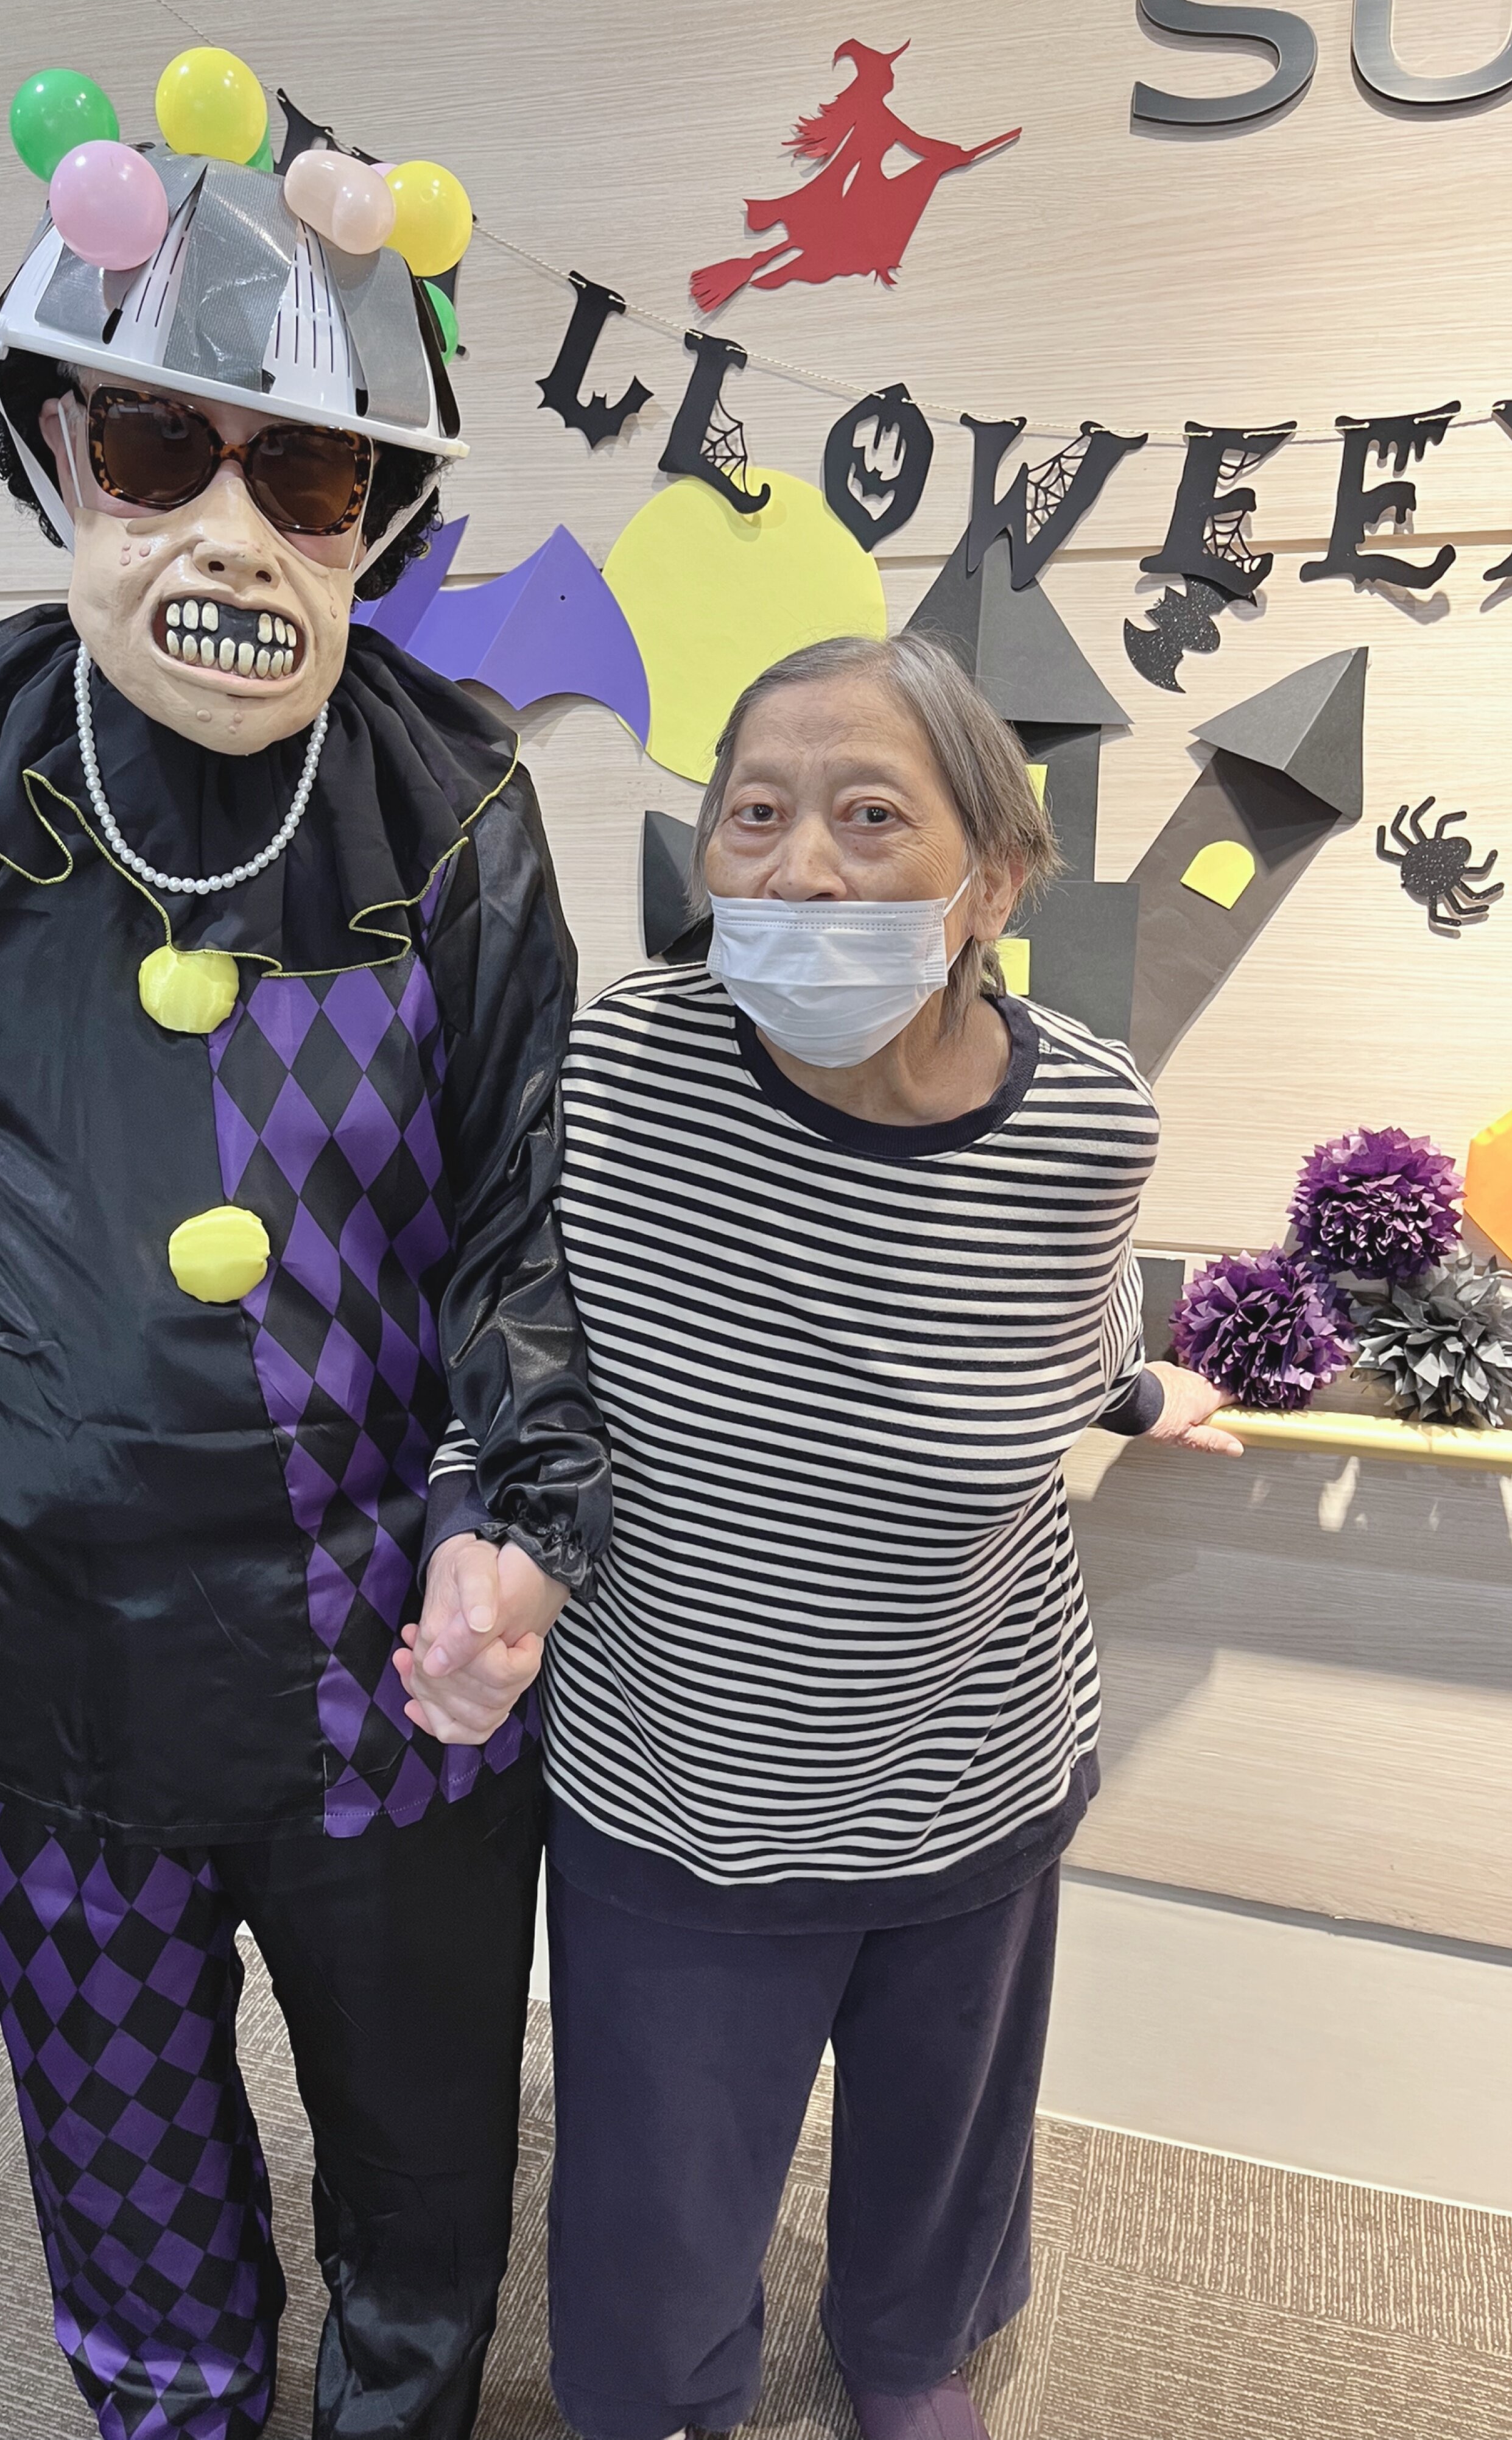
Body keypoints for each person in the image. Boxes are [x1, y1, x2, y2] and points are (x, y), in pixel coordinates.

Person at [0, 132, 607, 2440]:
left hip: (388, 1652)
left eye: (304, 472)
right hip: (64, 1650)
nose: (230, 529)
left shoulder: (455, 797)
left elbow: (524, 1215)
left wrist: (514, 1523)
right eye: (155, 448)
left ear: (375, 518)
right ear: (58, 452)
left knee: (426, 2150)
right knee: (119, 2148)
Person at [401, 632, 1237, 2440]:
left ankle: (910, 2349)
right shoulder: (619, 1072)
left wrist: (1132, 1387)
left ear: (994, 876)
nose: (799, 869)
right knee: (658, 2207)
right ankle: (667, 2398)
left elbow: (1062, 1323)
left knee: (945, 2130)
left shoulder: (1091, 1118)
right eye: (755, 816)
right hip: (677, 1771)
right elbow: (512, 1359)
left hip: (972, 1744)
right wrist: (472, 1540)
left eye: (871, 816)